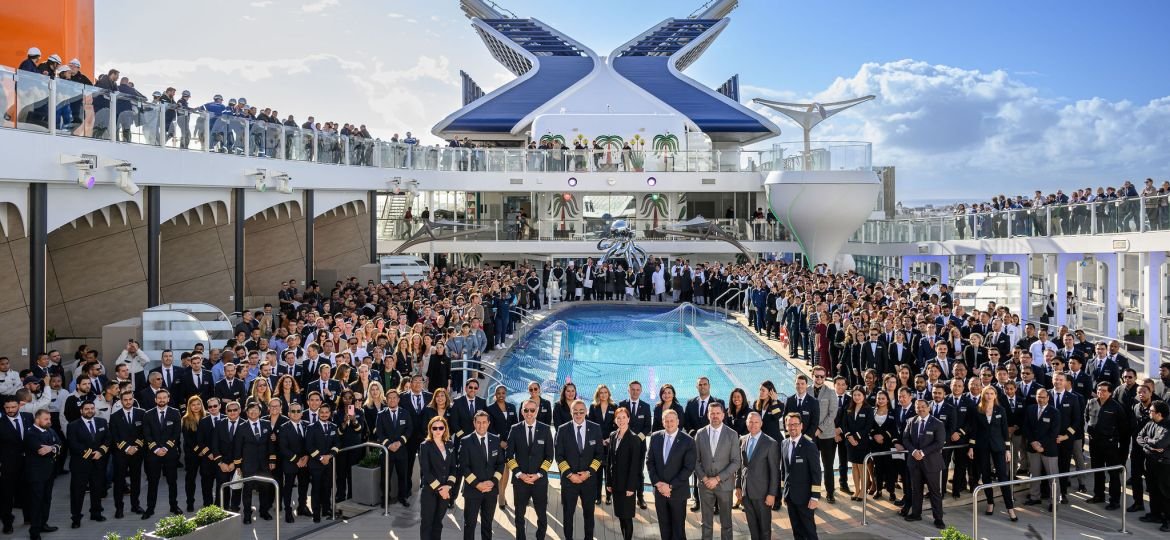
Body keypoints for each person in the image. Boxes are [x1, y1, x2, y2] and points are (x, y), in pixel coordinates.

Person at [554, 399, 603, 540]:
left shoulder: (595, 428)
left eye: (581, 411)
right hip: (569, 482)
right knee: (568, 515)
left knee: (589, 515)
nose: (578, 414)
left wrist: (589, 473)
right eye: (575, 411)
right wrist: (570, 475)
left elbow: (599, 454)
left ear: (586, 412)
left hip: (589, 482)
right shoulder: (562, 429)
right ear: (571, 412)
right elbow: (559, 455)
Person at [506, 398, 553, 540]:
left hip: (539, 482)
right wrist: (519, 474)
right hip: (520, 481)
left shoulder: (545, 429)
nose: (529, 413)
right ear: (522, 411)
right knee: (519, 516)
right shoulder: (515, 429)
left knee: (542, 516)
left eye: (532, 410)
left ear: (537, 411)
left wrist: (539, 474)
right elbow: (509, 455)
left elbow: (550, 456)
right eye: (526, 410)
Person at [967, 386, 1016, 521]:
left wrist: (1007, 450)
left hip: (998, 447)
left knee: (1002, 477)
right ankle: (990, 502)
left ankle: (1010, 507)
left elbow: (1005, 432)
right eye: (986, 393)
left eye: (991, 393)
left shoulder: (1001, 410)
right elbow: (974, 431)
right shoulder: (978, 410)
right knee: (986, 476)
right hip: (982, 447)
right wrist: (971, 447)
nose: (989, 396)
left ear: (995, 395)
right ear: (983, 395)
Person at [647, 409, 695, 540]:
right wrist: (657, 483)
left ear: (678, 421)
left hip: (678, 493)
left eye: (672, 420)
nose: (669, 423)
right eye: (666, 421)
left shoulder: (688, 441)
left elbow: (688, 468)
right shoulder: (655, 437)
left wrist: (670, 486)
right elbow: (649, 461)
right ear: (662, 422)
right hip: (660, 492)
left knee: (678, 529)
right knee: (664, 527)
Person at [695, 401, 740, 540]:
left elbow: (736, 462)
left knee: (726, 523)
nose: (715, 416)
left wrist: (717, 479)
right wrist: (704, 478)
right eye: (712, 413)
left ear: (723, 415)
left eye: (717, 413)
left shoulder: (732, 434)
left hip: (724, 485)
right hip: (705, 485)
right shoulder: (700, 433)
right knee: (706, 522)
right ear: (708, 415)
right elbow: (695, 460)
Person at [902, 398, 946, 529]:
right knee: (916, 490)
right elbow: (905, 439)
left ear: (929, 408)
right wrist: (914, 451)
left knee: (934, 492)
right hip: (914, 462)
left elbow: (939, 443)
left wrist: (923, 452)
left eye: (923, 407)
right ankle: (916, 513)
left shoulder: (937, 423)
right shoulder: (911, 421)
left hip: (931, 463)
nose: (920, 409)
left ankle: (938, 518)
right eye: (917, 407)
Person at [459, 410, 504, 540]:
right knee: (470, 524)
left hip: (491, 490)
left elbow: (501, 464)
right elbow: (464, 467)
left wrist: (493, 481)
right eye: (478, 422)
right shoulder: (466, 441)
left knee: (487, 524)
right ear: (474, 423)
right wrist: (477, 484)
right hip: (473, 491)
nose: (481, 425)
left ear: (489, 423)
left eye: (484, 422)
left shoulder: (495, 440)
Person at [780, 412, 822, 540]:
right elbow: (784, 471)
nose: (793, 427)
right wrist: (784, 492)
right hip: (790, 497)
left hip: (805, 498)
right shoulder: (784, 444)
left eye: (795, 424)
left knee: (809, 532)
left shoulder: (809, 446)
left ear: (801, 426)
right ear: (786, 426)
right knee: (796, 531)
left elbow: (816, 472)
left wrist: (815, 497)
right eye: (789, 424)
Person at [67, 401, 109, 528]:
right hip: (80, 465)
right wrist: (91, 453)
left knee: (97, 489)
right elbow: (73, 444)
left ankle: (96, 513)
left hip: (98, 463)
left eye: (92, 408)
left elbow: (108, 439)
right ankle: (76, 518)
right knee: (77, 493)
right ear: (81, 411)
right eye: (86, 409)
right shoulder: (73, 425)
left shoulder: (101, 422)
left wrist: (101, 451)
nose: (90, 410)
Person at [142, 388, 181, 519]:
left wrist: (165, 448)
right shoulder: (148, 414)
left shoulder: (175, 413)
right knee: (153, 482)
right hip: (153, 455)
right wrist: (156, 449)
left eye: (164, 397)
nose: (162, 400)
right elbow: (146, 435)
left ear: (168, 399)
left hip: (169, 454)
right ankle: (150, 508)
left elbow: (176, 434)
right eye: (159, 398)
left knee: (172, 482)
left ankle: (174, 506)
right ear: (155, 399)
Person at [607, 406, 644, 540]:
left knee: (627, 517)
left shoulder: (634, 439)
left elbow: (635, 466)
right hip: (616, 484)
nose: (621, 420)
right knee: (621, 516)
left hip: (627, 486)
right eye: (618, 418)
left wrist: (631, 487)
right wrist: (609, 482)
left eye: (624, 417)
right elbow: (610, 460)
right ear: (615, 420)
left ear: (628, 418)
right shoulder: (613, 436)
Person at [1085, 381, 1123, 509]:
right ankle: (1099, 495)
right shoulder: (1091, 403)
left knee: (1113, 473)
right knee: (1098, 471)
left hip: (1109, 445)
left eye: (1104, 390)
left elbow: (1123, 426)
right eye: (1099, 390)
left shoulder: (1116, 406)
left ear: (1110, 392)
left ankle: (1115, 500)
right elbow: (1087, 418)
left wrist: (1114, 439)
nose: (1101, 392)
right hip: (1094, 443)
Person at [24, 409, 61, 540]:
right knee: (36, 502)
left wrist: (51, 448)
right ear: (37, 419)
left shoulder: (50, 430)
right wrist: (53, 448)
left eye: (49, 419)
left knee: (47, 499)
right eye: (46, 419)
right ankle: (34, 531)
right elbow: (41, 450)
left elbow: (59, 444)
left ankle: (43, 524)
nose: (49, 421)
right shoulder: (30, 434)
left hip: (49, 472)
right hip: (36, 474)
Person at [109, 390, 146, 518]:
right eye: (125, 400)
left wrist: (135, 446)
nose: (128, 402)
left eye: (130, 399)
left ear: (133, 399)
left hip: (137, 452)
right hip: (121, 454)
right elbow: (114, 436)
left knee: (136, 480)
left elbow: (144, 433)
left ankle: (135, 505)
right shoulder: (114, 416)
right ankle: (119, 508)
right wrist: (126, 447)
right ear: (120, 401)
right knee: (119, 482)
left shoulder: (141, 413)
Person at [419, 416, 456, 539]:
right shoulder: (425, 446)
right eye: (435, 428)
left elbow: (453, 468)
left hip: (445, 490)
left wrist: (448, 487)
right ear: (431, 429)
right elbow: (426, 471)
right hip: (430, 491)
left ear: (445, 429)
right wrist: (441, 489)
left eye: (441, 427)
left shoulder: (450, 444)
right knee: (427, 523)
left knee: (438, 523)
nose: (438, 430)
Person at [376, 388, 413, 507]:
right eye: (389, 398)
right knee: (385, 477)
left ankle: (403, 498)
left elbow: (409, 430)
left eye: (394, 398)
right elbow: (380, 433)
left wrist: (400, 442)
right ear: (386, 400)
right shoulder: (381, 415)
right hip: (387, 451)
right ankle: (385, 498)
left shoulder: (405, 413)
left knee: (403, 476)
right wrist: (389, 445)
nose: (392, 400)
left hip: (401, 450)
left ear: (398, 399)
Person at [1023, 388, 1060, 506]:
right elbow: (1026, 427)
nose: (1041, 399)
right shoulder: (1030, 409)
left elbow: (1053, 433)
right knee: (1034, 474)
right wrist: (1033, 442)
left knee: (1052, 476)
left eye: (1043, 397)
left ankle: (1054, 501)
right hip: (1032, 447)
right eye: (1039, 396)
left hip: (1048, 449)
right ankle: (1035, 497)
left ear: (1048, 398)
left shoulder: (1054, 412)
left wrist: (1042, 446)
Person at [240, 402, 275, 523]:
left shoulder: (266, 424)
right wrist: (238, 465)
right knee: (247, 490)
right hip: (248, 464)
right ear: (247, 412)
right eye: (250, 410)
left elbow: (271, 444)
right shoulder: (242, 426)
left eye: (256, 410)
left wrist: (272, 460)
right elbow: (238, 448)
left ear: (260, 412)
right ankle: (247, 515)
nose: (253, 412)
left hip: (264, 464)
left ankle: (264, 511)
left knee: (265, 489)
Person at [619, 380, 652, 509]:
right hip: (624, 445)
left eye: (637, 390)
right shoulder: (622, 404)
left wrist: (637, 439)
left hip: (639, 445)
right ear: (628, 390)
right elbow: (619, 422)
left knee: (638, 471)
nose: (635, 392)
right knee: (625, 469)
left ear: (641, 391)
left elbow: (647, 427)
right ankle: (626, 495)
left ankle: (640, 497)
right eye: (632, 389)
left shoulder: (645, 406)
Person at [277, 403, 310, 523]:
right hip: (291, 463)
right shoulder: (284, 427)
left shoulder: (307, 425)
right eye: (293, 411)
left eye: (298, 411)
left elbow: (310, 443)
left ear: (302, 412)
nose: (296, 413)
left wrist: (306, 457)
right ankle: (288, 511)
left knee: (304, 485)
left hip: (305, 463)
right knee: (288, 487)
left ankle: (302, 507)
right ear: (289, 413)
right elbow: (283, 447)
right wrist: (297, 460)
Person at [305, 404, 339, 523]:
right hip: (315, 465)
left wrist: (329, 456)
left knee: (327, 487)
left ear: (330, 414)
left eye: (326, 412)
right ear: (318, 413)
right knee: (316, 489)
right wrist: (320, 458)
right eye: (322, 412)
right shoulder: (311, 427)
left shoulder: (334, 427)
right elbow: (309, 446)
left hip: (328, 464)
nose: (324, 414)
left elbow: (337, 445)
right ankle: (316, 513)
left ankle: (326, 509)